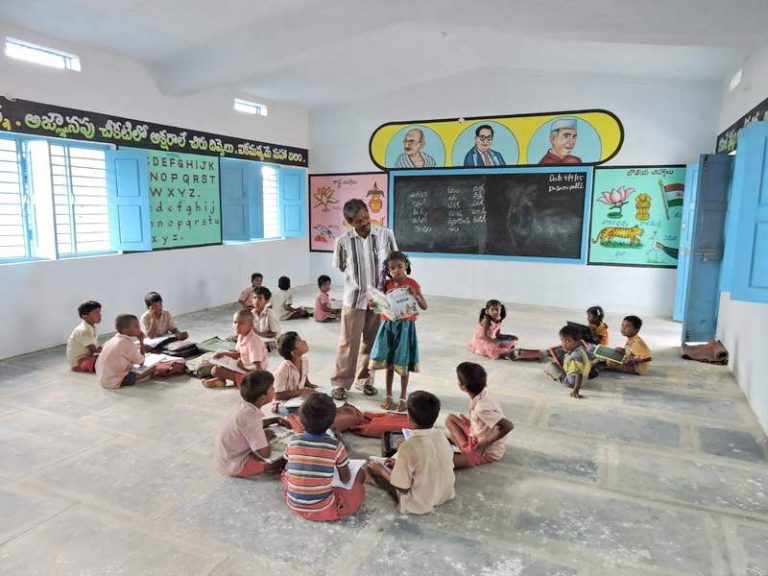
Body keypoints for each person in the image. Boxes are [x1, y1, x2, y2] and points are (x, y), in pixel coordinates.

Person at [331, 199, 398, 400]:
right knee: (348, 343)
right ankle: (340, 383)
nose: (365, 222)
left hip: (379, 298)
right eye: (359, 221)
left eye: (366, 217)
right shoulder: (342, 241)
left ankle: (365, 380)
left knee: (373, 342)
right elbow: (342, 266)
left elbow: (396, 261)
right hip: (354, 299)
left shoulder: (386, 235)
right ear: (350, 222)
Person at [366, 391, 455, 514]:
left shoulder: (408, 446)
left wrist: (381, 471)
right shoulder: (441, 435)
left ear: (409, 417)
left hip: (420, 503)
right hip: (445, 492)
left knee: (370, 468)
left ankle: (379, 472)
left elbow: (403, 487)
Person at [282, 394, 366, 522]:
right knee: (359, 478)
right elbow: (345, 479)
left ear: (300, 419)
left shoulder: (293, 441)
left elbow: (289, 464)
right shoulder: (335, 446)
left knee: (285, 474)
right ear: (332, 422)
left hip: (294, 504)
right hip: (322, 509)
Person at [369, 251, 428, 412]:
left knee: (403, 363)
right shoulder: (385, 285)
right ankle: (388, 397)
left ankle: (403, 398)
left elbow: (424, 306)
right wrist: (373, 304)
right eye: (392, 268)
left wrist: (416, 295)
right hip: (388, 326)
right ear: (388, 270)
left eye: (400, 267)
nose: (396, 271)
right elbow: (379, 306)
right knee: (389, 363)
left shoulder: (412, 284)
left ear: (406, 266)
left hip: (405, 328)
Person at [214, 371, 289, 477]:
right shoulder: (251, 417)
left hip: (225, 457)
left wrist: (274, 420)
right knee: (283, 462)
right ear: (263, 398)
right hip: (234, 464)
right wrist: (266, 437)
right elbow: (265, 453)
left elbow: (251, 426)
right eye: (272, 388)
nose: (274, 390)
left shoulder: (244, 406)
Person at [445, 362, 514, 468]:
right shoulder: (483, 393)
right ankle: (464, 446)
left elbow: (508, 426)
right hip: (476, 435)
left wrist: (485, 442)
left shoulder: (482, 408)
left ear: (463, 387)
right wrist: (472, 422)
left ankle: (466, 450)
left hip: (486, 450)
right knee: (450, 419)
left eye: (458, 379)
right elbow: (487, 419)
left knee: (447, 463)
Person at [203, 309, 267, 388]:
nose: (236, 326)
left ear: (250, 325)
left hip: (256, 375)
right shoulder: (241, 336)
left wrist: (243, 366)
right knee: (216, 369)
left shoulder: (253, 342)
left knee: (216, 370)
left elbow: (258, 369)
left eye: (241, 323)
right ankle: (220, 381)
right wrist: (224, 354)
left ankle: (242, 382)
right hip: (244, 367)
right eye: (235, 322)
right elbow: (239, 354)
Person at [95, 314, 150, 389]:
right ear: (125, 330)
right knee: (152, 369)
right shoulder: (127, 343)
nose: (139, 329)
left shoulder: (111, 340)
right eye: (136, 326)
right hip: (114, 381)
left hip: (102, 378)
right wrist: (141, 341)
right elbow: (141, 362)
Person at [272, 331, 317, 414]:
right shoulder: (284, 369)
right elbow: (277, 395)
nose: (304, 342)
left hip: (298, 399)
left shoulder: (304, 361)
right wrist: (302, 391)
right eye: (299, 341)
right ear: (293, 352)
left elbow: (304, 377)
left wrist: (313, 387)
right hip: (283, 404)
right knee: (309, 412)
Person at [545, 325, 591, 399]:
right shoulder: (580, 347)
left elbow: (579, 374)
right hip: (584, 379)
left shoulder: (574, 357)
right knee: (561, 354)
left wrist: (575, 390)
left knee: (549, 365)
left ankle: (555, 375)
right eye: (562, 340)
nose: (564, 343)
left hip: (570, 382)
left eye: (567, 341)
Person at [67, 300, 102, 372]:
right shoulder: (84, 330)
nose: (100, 315)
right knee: (108, 360)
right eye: (96, 312)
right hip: (80, 363)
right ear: (85, 317)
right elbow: (94, 353)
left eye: (100, 312)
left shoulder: (90, 327)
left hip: (87, 358)